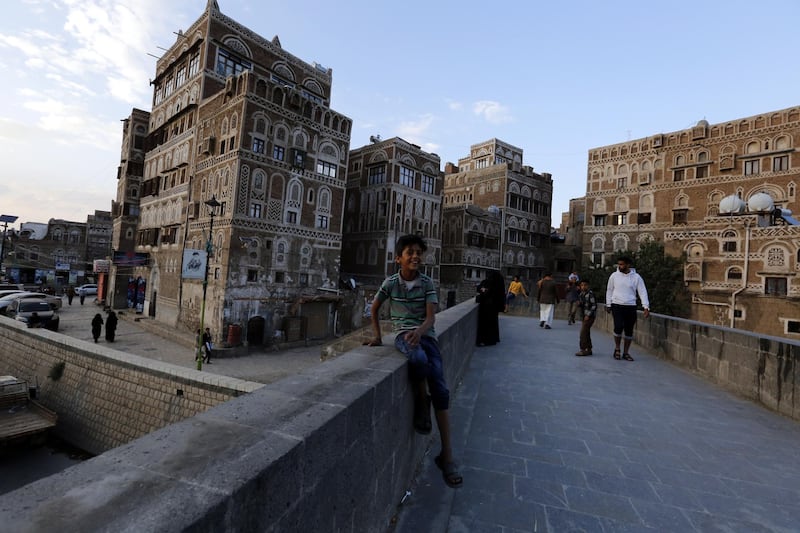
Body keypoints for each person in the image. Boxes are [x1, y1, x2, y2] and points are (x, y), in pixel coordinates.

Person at [364, 234, 462, 488]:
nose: (416, 256)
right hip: (402, 335)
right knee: (418, 360)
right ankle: (421, 400)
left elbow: (431, 318)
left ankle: (448, 456)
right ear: (399, 258)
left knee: (440, 387)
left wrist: (420, 331)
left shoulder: (427, 283)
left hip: (425, 336)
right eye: (410, 252)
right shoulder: (391, 283)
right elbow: (374, 308)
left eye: (419, 252)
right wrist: (377, 336)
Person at [605, 256, 650, 361]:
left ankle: (626, 352)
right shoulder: (614, 276)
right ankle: (617, 349)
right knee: (618, 327)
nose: (620, 266)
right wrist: (608, 304)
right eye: (619, 264)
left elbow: (642, 291)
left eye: (622, 264)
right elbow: (609, 290)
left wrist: (646, 307)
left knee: (629, 330)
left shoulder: (636, 277)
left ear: (628, 265)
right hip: (617, 304)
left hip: (630, 305)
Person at [475, 271, 505, 346]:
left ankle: (486, 340)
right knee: (492, 324)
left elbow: (481, 289)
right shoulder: (498, 281)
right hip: (494, 306)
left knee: (486, 324)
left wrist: (483, 290)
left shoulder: (489, 282)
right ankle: (492, 340)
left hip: (487, 306)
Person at [575, 280, 597, 356]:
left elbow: (594, 305)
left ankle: (583, 349)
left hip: (590, 316)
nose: (583, 287)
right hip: (584, 316)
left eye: (585, 285)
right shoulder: (581, 294)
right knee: (586, 332)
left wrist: (588, 315)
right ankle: (589, 349)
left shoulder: (590, 294)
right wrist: (579, 304)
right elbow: (583, 305)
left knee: (583, 333)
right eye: (582, 285)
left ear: (588, 286)